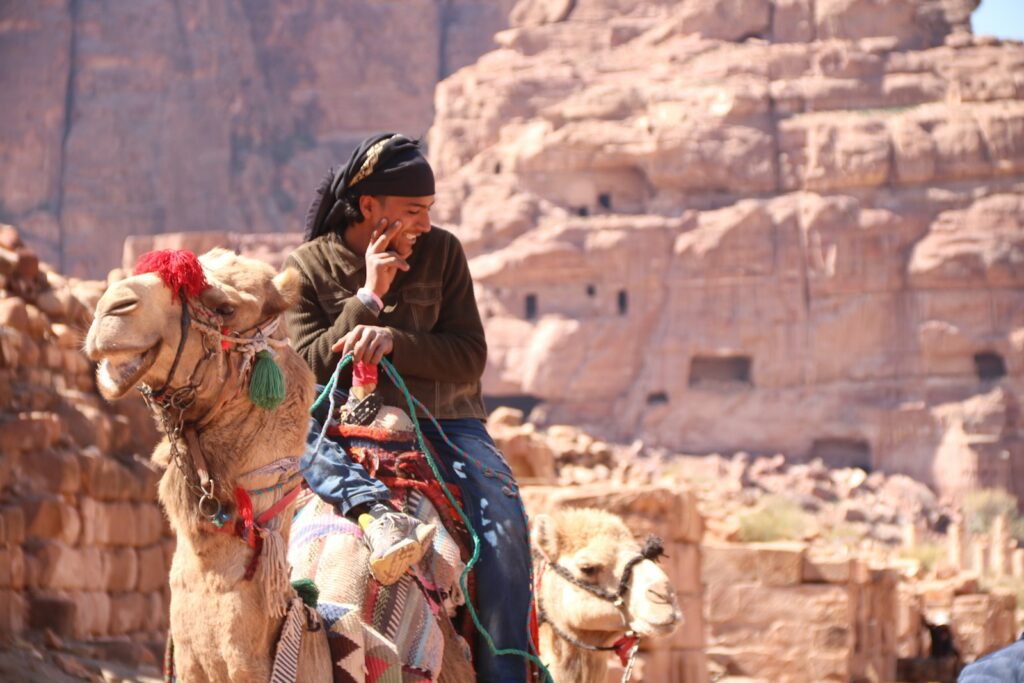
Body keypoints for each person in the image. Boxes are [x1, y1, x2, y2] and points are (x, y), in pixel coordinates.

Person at [284, 133, 534, 682]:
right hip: (340, 427)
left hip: (445, 422)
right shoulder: (307, 267)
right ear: (368, 206)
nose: (424, 224)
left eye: (428, 212)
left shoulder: (443, 253)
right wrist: (369, 296)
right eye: (412, 211)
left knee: (505, 530)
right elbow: (304, 369)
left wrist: (395, 340)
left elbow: (470, 357)